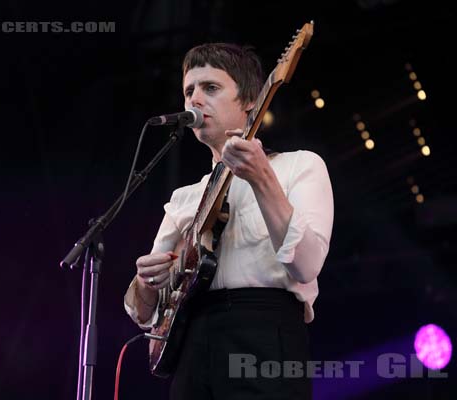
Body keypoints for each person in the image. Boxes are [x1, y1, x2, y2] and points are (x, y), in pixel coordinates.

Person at [124, 43, 334, 400]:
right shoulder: (184, 199)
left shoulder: (300, 165)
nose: (195, 99)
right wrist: (146, 283)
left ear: (251, 100)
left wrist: (261, 178)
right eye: (189, 90)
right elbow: (142, 312)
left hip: (264, 332)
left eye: (211, 88)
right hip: (193, 339)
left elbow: (307, 265)